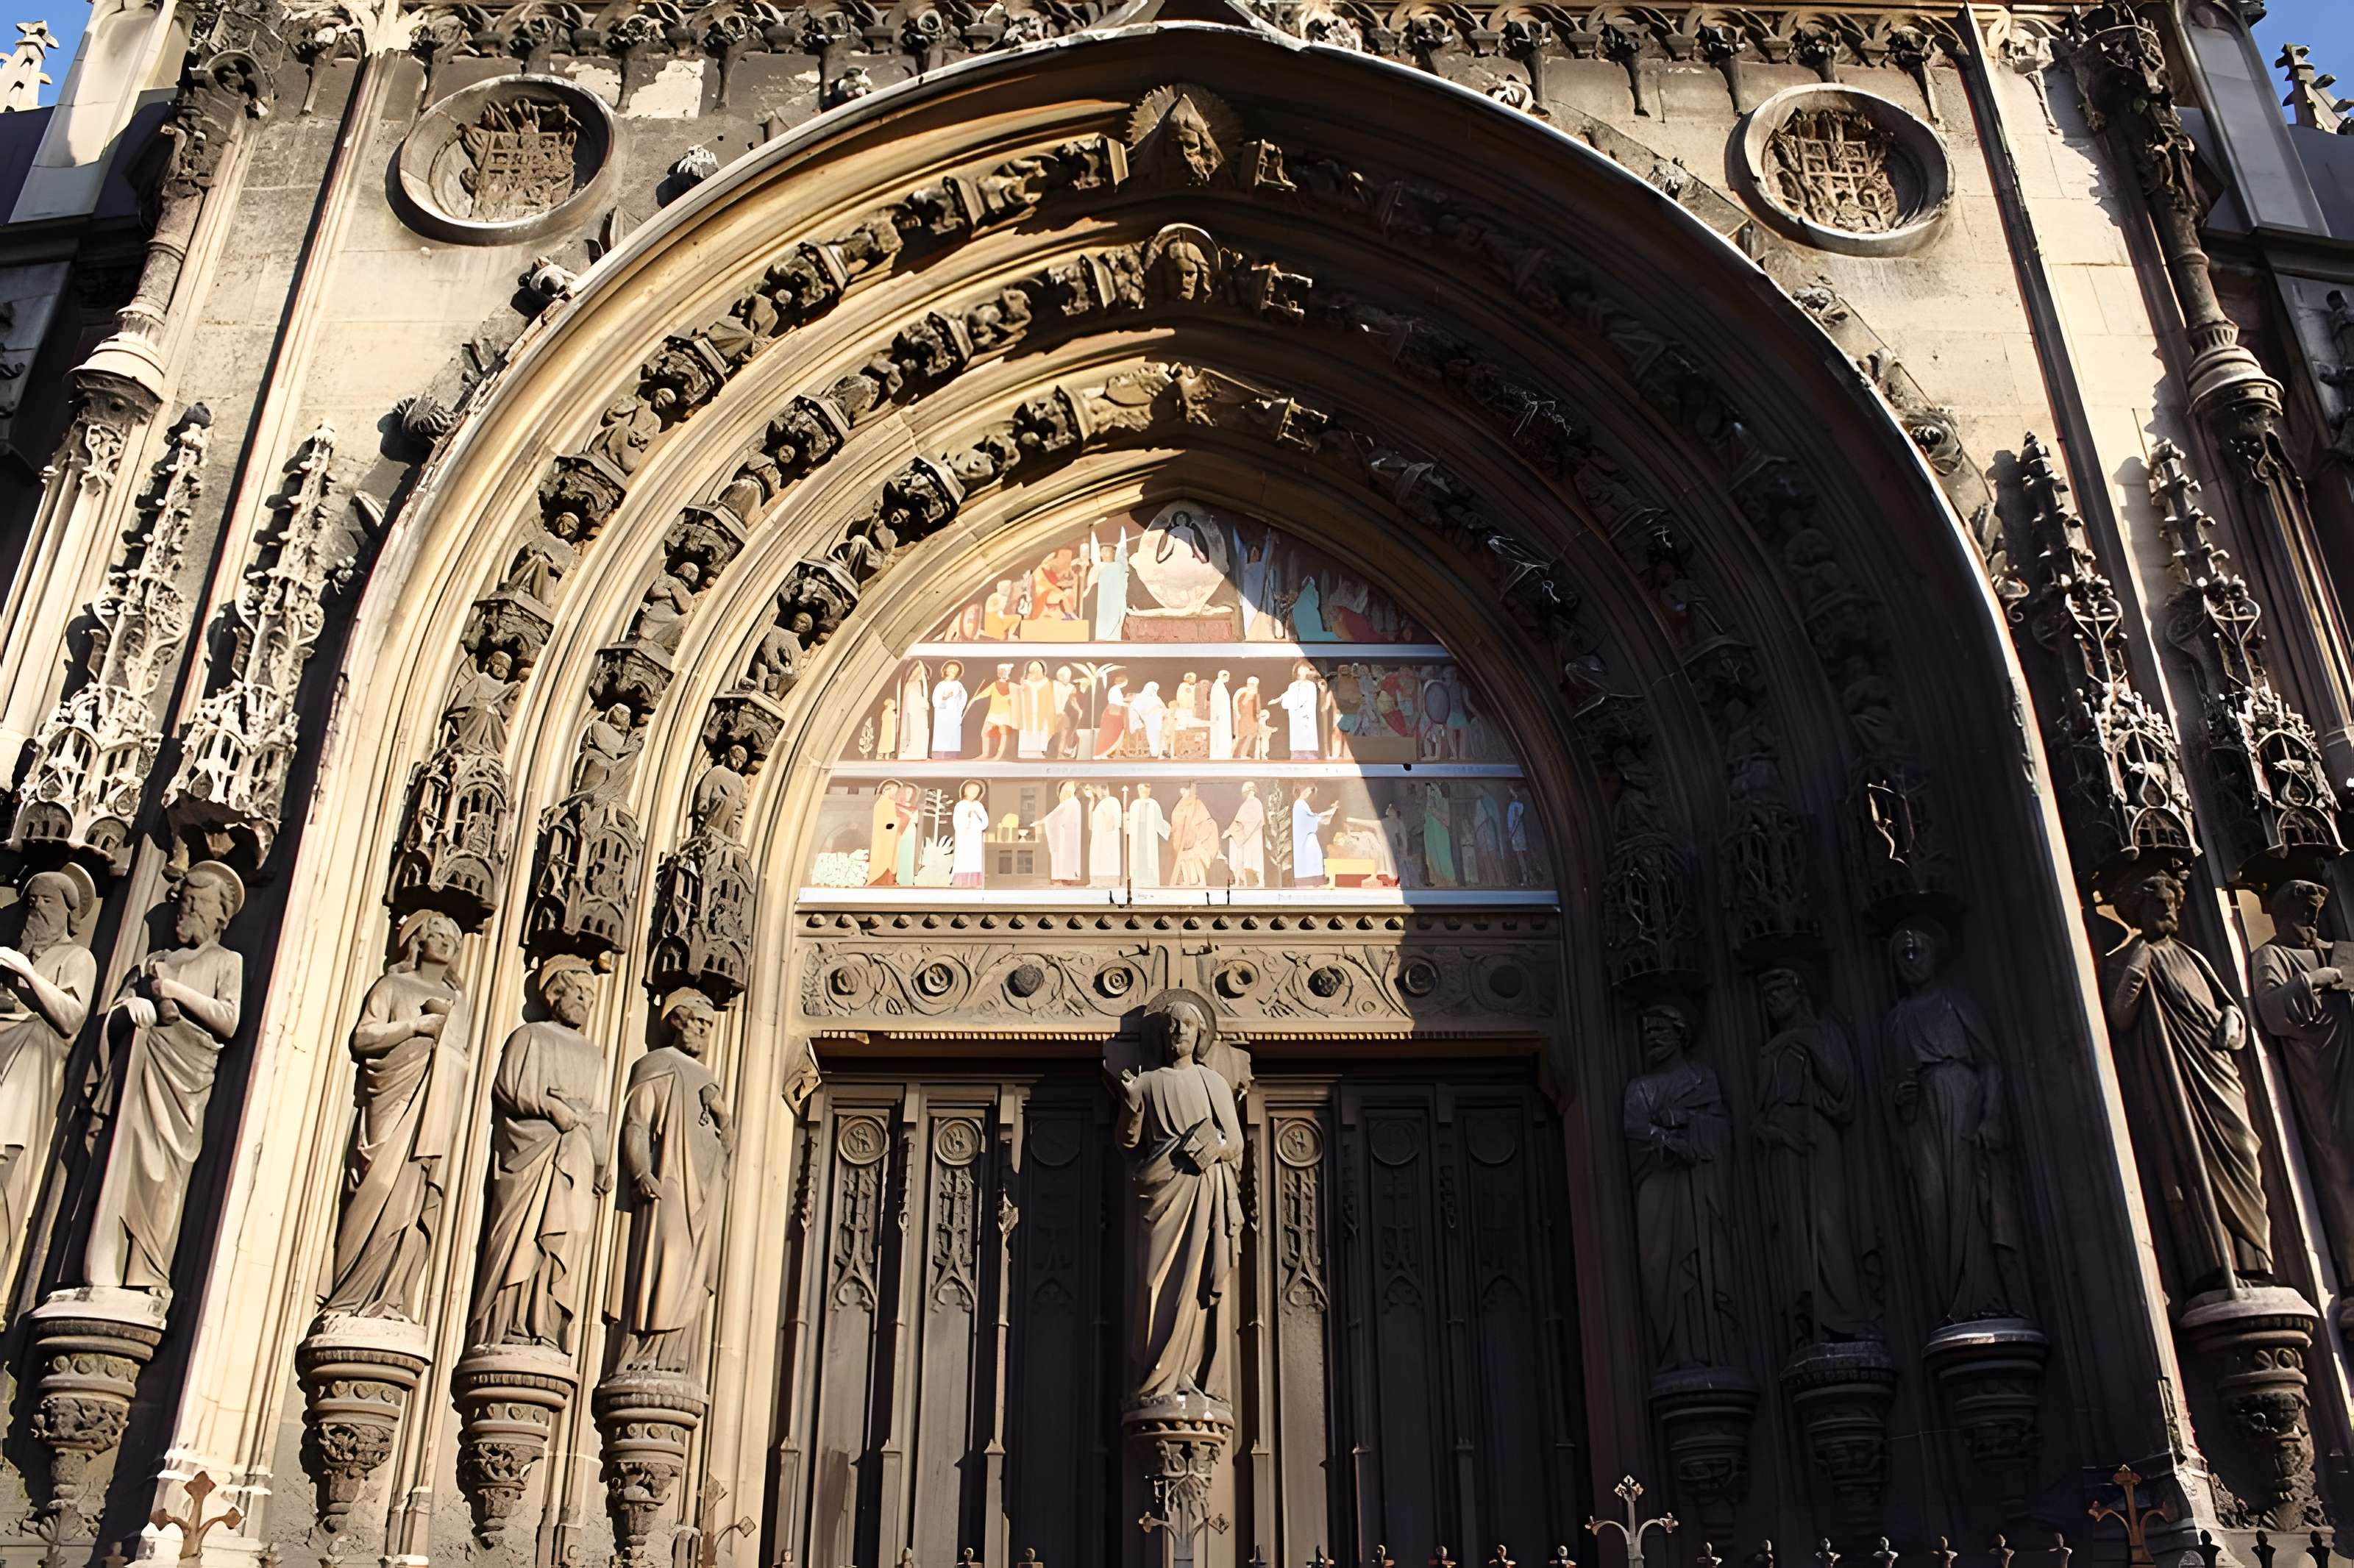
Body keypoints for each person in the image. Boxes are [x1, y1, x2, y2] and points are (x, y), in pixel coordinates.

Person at [2105, 868, 2273, 1288]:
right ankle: (2218, 1266)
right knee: (2193, 1165)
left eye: (2174, 902)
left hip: (2217, 1071)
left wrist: (2231, 1020)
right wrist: (2140, 961)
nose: (2170, 909)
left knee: (2243, 1149)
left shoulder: (2193, 955)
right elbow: (2121, 1017)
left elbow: (2228, 1005)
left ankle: (2258, 1259)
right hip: (2177, 1079)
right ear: (2140, 908)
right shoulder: (2129, 958)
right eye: (2161, 903)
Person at [85, 864, 245, 1293]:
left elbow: (228, 1020)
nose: (186, 910)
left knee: (161, 1179)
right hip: (139, 1075)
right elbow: (116, 1012)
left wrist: (176, 993)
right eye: (184, 900)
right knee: (119, 1165)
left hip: (183, 1085)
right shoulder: (153, 962)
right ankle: (106, 1265)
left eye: (198, 902)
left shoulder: (225, 961)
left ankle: (146, 1273)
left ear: (219, 915)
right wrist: (127, 1012)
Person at [322, 909, 472, 1321]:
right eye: (436, 933)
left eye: (452, 937)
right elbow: (364, 1037)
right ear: (418, 940)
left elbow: (461, 1058)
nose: (444, 941)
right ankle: (350, 1295)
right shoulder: (392, 985)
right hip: (391, 1100)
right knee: (380, 1181)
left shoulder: (459, 1004)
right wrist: (416, 1028)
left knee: (413, 1200)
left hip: (433, 1114)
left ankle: (391, 1299)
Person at [1884, 918, 2026, 1323]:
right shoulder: (1896, 1020)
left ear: (1935, 956)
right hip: (1922, 1121)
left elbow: (1990, 1063)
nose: (1911, 960)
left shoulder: (1955, 1003)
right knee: (1933, 1203)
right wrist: (1900, 1096)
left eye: (1918, 951)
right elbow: (1889, 1082)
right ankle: (1953, 1303)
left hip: (1963, 1102)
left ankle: (1986, 1298)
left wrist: (1991, 1116)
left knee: (1972, 1199)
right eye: (1902, 955)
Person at [471, 956, 610, 1351]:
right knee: (519, 1238)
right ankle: (504, 1323)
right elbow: (508, 1088)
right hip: (530, 1154)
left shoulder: (593, 1054)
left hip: (574, 1162)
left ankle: (543, 1326)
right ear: (554, 993)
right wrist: (552, 1108)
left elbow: (598, 1113)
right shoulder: (529, 1036)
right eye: (578, 992)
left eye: (591, 996)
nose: (585, 1002)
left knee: (562, 1242)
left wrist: (602, 1162)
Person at [1114, 991, 1243, 1406]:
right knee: (1154, 1281)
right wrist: (1131, 1103)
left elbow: (1235, 1141)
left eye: (1186, 1025)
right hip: (1160, 1189)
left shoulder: (1212, 1082)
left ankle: (1186, 1376)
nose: (1178, 1032)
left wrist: (1211, 1148)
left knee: (1194, 1280)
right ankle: (1155, 1379)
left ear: (1200, 1033)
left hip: (1202, 1188)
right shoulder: (1148, 1082)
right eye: (1171, 1026)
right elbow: (1129, 1142)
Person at [605, 991, 733, 1373]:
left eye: (710, 1026)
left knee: (692, 1273)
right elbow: (637, 1123)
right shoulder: (658, 1064)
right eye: (698, 1022)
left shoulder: (707, 1079)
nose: (704, 1032)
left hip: (706, 1193)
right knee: (666, 1262)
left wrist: (723, 1116)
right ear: (676, 1021)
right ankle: (643, 1351)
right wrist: (642, 1171)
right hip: (671, 1184)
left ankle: (672, 1356)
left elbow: (726, 1145)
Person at [1623, 999, 1740, 1369]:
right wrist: (1667, 1139)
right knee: (1661, 1266)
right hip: (1658, 1183)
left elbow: (1721, 1130)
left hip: (1698, 1186)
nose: (1652, 1039)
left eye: (1659, 1031)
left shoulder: (1703, 1079)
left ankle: (1712, 1354)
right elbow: (1634, 1128)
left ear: (1680, 1034)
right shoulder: (1640, 1088)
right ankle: (1678, 1353)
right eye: (1647, 1033)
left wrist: (1687, 1122)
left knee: (1705, 1262)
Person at [0, 868, 94, 1290]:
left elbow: (71, 1017)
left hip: (26, 1090)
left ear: (70, 915)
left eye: (48, 901)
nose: (35, 908)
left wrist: (29, 977)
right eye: (31, 900)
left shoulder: (76, 958)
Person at [1169, 785, 1218, 887]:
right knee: (1183, 859)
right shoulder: (1181, 804)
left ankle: (1202, 881)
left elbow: (1204, 819)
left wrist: (1198, 833)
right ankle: (1187, 880)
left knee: (1195, 859)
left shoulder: (1197, 803)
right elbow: (1176, 817)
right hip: (1182, 837)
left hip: (1193, 836)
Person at [1291, 785, 1337, 888]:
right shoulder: (1299, 804)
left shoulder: (1302, 805)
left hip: (1309, 841)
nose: (1310, 794)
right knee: (1309, 866)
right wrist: (1328, 814)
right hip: (1306, 842)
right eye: (1309, 790)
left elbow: (1312, 819)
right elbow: (1310, 821)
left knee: (1313, 864)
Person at [1042, 780, 1085, 885]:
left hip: (1067, 836)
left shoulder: (1070, 803)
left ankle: (1065, 877)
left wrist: (1040, 822)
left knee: (1065, 857)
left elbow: (1052, 817)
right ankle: (1068, 877)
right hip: (1070, 835)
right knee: (1069, 857)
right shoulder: (1075, 803)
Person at [1224, 783, 1266, 888]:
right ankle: (1242, 882)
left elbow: (1257, 820)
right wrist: (1230, 831)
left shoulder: (1257, 803)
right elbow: (1238, 820)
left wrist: (1243, 830)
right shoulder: (1245, 805)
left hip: (1254, 836)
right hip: (1246, 837)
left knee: (1256, 859)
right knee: (1244, 858)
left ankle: (1261, 882)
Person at [1128, 783, 1170, 888]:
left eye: (1146, 790)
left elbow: (1158, 820)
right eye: (1142, 790)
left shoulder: (1153, 804)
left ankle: (1150, 882)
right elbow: (1131, 821)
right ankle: (1137, 881)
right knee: (1138, 857)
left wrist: (1168, 828)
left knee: (1149, 857)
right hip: (1137, 834)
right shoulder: (1135, 804)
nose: (1144, 792)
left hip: (1149, 833)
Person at [1092, 529, 1131, 640]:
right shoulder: (1098, 568)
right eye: (1102, 550)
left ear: (1114, 551)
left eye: (1107, 550)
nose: (1104, 553)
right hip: (1102, 609)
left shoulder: (1118, 568)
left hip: (1115, 603)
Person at [1279, 663, 1322, 759]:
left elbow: (1311, 701)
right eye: (1301, 670)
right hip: (1295, 716)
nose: (1302, 672)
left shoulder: (1310, 685)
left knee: (1308, 737)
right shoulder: (1292, 686)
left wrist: (1304, 712)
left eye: (1304, 669)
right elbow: (1287, 701)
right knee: (1296, 738)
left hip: (1306, 716)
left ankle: (1310, 755)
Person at [951, 782, 990, 889]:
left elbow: (985, 821)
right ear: (966, 791)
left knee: (975, 860)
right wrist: (966, 821)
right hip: (964, 837)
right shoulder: (960, 805)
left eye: (976, 792)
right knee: (964, 860)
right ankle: (962, 882)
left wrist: (976, 817)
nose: (974, 793)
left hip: (975, 836)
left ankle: (975, 882)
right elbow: (957, 823)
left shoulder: (978, 805)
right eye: (972, 790)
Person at [978, 663, 1020, 761]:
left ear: (1008, 672)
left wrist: (1011, 698)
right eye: (1000, 671)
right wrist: (975, 698)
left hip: (1006, 712)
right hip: (994, 712)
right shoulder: (995, 684)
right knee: (986, 731)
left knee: (1004, 732)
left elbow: (1019, 694)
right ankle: (985, 754)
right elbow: (985, 693)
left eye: (1004, 671)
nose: (1001, 673)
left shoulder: (1012, 686)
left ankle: (1000, 755)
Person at [1017, 660, 1056, 759]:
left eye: (1037, 669)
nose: (1034, 672)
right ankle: (1025, 752)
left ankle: (1039, 752)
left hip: (1042, 714)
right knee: (1026, 732)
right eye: (1032, 670)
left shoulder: (1046, 683)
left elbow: (1050, 700)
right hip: (1027, 714)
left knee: (1041, 732)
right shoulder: (1025, 683)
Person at [931, 660, 968, 758]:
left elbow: (963, 698)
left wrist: (958, 708)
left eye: (955, 669)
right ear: (946, 670)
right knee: (942, 735)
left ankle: (951, 755)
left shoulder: (959, 685)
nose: (953, 671)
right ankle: (939, 755)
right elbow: (936, 701)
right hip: (942, 715)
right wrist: (944, 699)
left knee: (952, 736)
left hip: (954, 714)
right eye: (951, 668)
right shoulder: (940, 685)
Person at [1089, 785, 1125, 887]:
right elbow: (1090, 826)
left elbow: (1111, 825)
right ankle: (1098, 882)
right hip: (1099, 839)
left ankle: (1104, 882)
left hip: (1105, 841)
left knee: (1105, 860)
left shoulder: (1110, 802)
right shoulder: (1101, 804)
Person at [897, 663, 931, 761]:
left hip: (920, 714)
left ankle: (920, 752)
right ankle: (914, 751)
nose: (921, 677)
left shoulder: (918, 685)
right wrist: (924, 703)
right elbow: (912, 699)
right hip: (915, 714)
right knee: (915, 733)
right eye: (921, 674)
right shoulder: (910, 685)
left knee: (922, 732)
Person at [1209, 670, 1234, 760]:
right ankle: (1220, 753)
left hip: (1223, 715)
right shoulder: (1218, 686)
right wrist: (1217, 714)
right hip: (1220, 715)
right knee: (1220, 733)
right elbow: (1217, 702)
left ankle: (1223, 752)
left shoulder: (1220, 686)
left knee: (1223, 732)